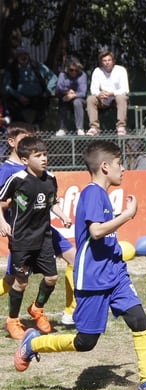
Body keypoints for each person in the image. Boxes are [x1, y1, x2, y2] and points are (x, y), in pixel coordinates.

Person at [13, 140, 146, 390]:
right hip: (92, 279)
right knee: (85, 342)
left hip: (115, 273)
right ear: (105, 166)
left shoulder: (102, 195)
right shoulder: (91, 193)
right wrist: (127, 215)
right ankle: (34, 343)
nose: (123, 170)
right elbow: (96, 231)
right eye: (120, 164)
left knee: (138, 319)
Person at [2, 122, 77, 329]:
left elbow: (51, 200)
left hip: (45, 232)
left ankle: (67, 311)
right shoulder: (12, 174)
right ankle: (13, 320)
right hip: (22, 234)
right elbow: (3, 203)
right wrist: (5, 224)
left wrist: (62, 215)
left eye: (44, 154)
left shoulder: (49, 177)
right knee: (16, 281)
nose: (43, 158)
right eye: (38, 154)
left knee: (68, 265)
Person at [2, 47, 57, 128]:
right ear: (17, 57)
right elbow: (6, 86)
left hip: (37, 97)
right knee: (12, 105)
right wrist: (19, 96)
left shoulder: (38, 66)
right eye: (21, 55)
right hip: (19, 98)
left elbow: (53, 77)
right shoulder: (11, 69)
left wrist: (47, 91)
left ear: (29, 56)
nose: (23, 57)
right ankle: (24, 126)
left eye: (25, 55)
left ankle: (36, 125)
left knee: (44, 103)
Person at [86, 50, 130, 136]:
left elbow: (125, 89)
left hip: (116, 99)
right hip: (102, 99)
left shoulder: (121, 70)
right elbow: (93, 89)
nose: (107, 63)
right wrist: (99, 94)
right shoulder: (97, 71)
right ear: (101, 62)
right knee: (90, 99)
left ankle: (121, 127)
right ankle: (94, 128)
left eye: (109, 60)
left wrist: (111, 93)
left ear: (113, 61)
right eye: (104, 61)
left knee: (121, 97)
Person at [55, 56, 88, 136]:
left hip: (80, 99)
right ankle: (62, 128)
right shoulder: (62, 75)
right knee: (63, 100)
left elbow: (83, 93)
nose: (74, 72)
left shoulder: (83, 75)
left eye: (76, 70)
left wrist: (73, 95)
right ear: (67, 68)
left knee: (77, 102)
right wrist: (67, 92)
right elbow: (58, 89)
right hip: (66, 97)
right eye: (71, 70)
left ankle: (80, 128)